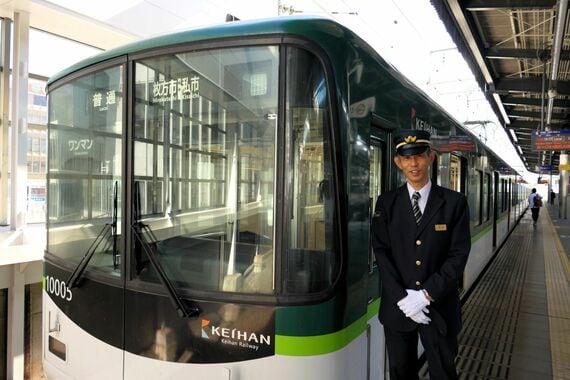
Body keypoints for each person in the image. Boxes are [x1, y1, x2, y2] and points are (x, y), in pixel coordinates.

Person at [371, 129, 471, 380]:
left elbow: (458, 255)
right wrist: (403, 298)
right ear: (398, 163)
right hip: (398, 309)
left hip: (439, 308)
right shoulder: (386, 203)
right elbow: (382, 254)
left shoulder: (454, 203)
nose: (413, 164)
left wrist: (426, 294)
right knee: (400, 373)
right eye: (406, 158)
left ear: (431, 157)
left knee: (443, 372)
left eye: (419, 156)